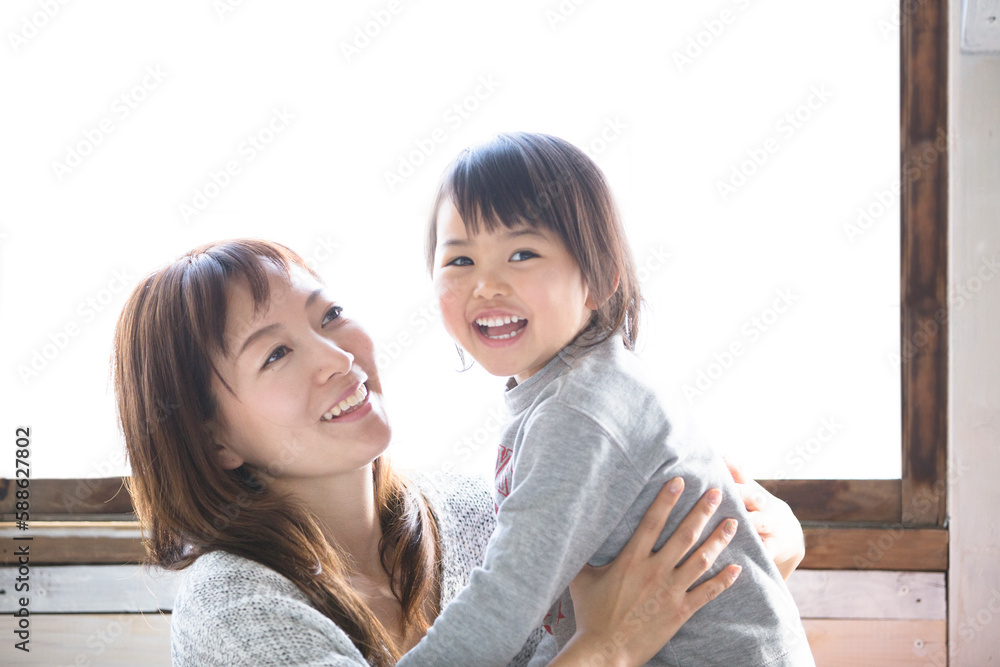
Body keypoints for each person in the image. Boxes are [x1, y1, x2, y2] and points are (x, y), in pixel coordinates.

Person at [113, 239, 804, 666]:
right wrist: (607, 649)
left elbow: (644, 591)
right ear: (213, 439)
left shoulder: (472, 510)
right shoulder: (233, 608)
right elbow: (615, 627)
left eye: (330, 316)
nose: (337, 358)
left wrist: (744, 551)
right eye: (276, 353)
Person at [417, 132, 816, 665]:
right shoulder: (567, 388)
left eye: (522, 253)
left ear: (600, 278)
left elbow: (501, 605)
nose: (486, 284)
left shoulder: (580, 410)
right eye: (460, 260)